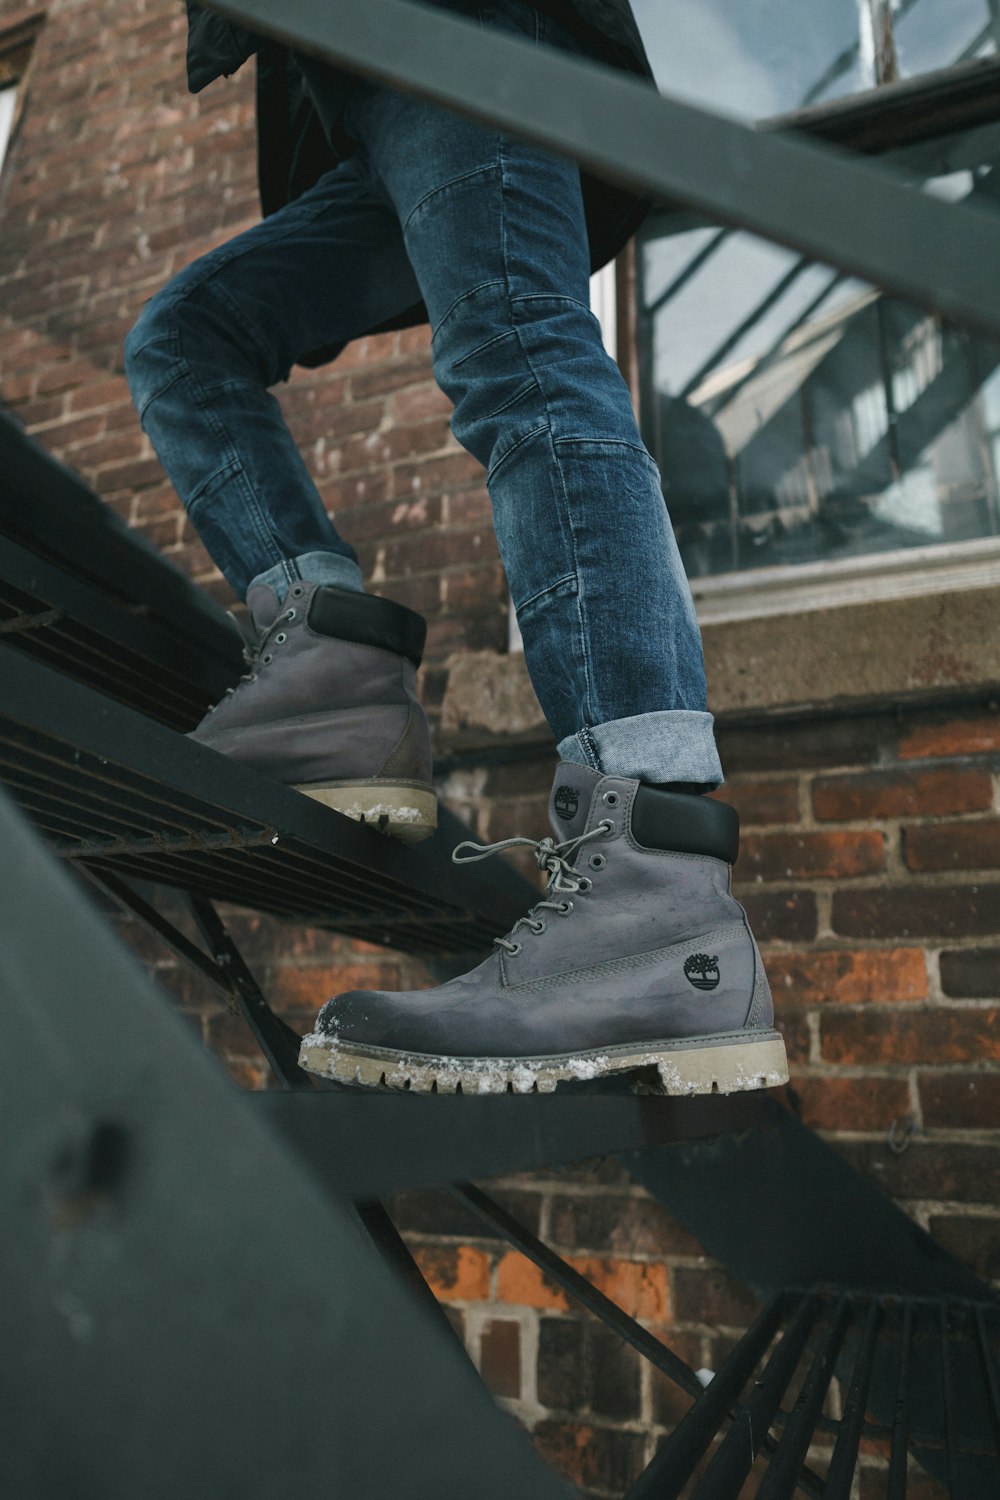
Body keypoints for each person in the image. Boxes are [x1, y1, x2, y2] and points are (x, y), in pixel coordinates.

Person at [124, 0, 788, 1097]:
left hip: (448, 31)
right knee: (187, 337)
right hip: (368, 99)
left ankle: (653, 886)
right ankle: (332, 668)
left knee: (521, 356)